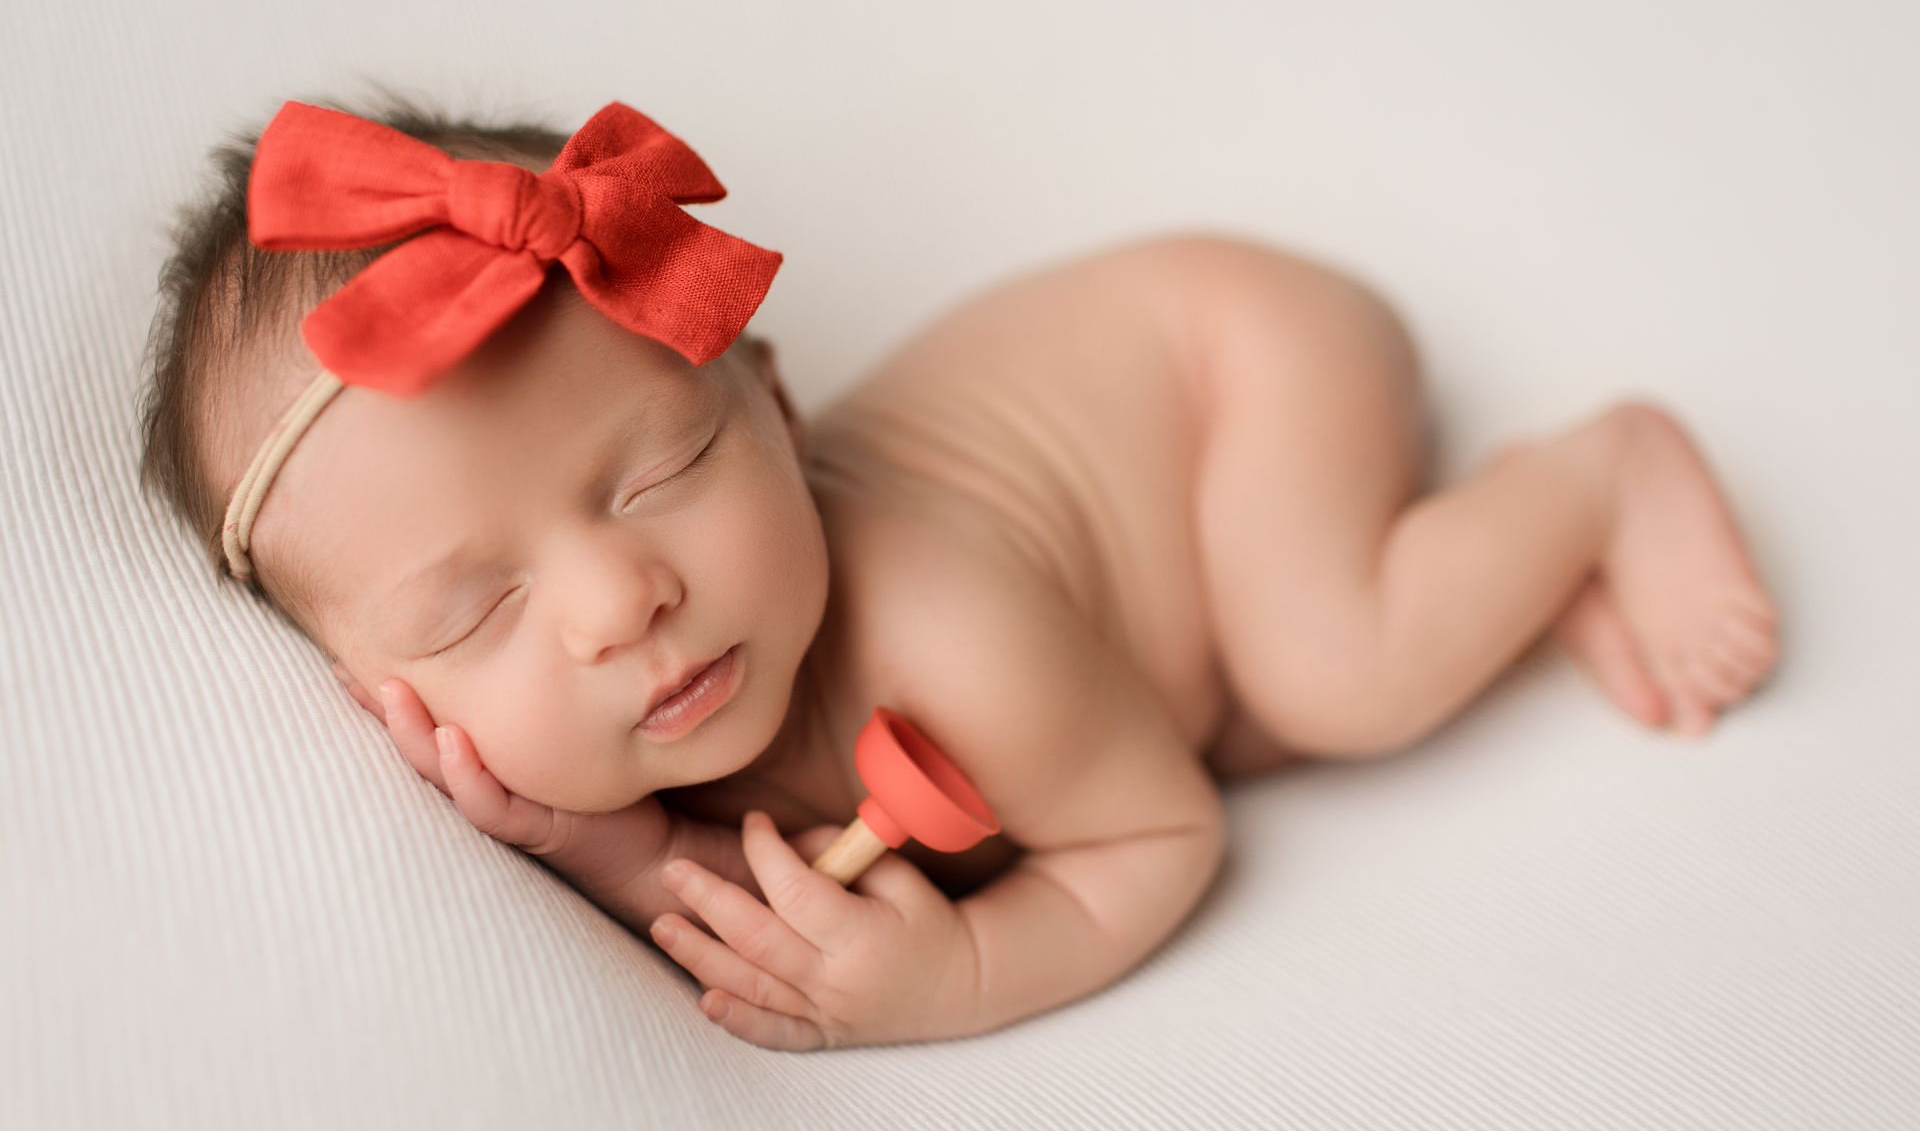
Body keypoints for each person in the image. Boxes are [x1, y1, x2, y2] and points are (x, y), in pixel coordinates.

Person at [135, 90, 1780, 1051]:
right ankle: (1476, 555)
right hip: (1138, 591)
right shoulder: (632, 720)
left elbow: (1161, 827)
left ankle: (1595, 473)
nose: (613, 600)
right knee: (1241, 694)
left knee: (1324, 683)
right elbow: (744, 898)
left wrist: (961, 976)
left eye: (667, 468)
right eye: (475, 608)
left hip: (1231, 365)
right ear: (383, 695)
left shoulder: (939, 626)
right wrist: (599, 848)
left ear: (771, 398)